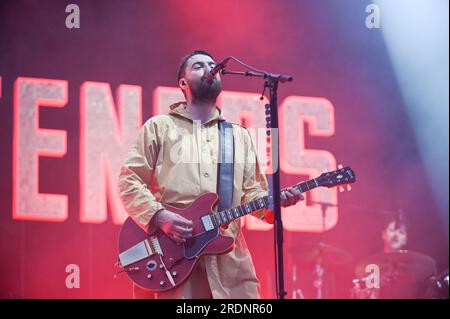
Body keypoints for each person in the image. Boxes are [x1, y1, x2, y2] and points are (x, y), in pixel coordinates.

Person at [118, 50, 304, 299]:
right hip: (175, 264)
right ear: (183, 84)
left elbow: (251, 194)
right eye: (198, 66)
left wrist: (274, 204)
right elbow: (129, 180)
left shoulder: (238, 135)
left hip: (231, 269)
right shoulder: (160, 127)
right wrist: (159, 216)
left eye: (212, 64)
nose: (209, 68)